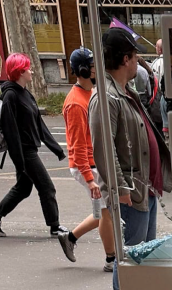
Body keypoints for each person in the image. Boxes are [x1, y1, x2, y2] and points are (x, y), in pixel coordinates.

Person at [90, 28, 172, 290]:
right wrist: (120, 188)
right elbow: (104, 149)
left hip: (144, 188)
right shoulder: (106, 97)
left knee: (144, 251)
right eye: (136, 55)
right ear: (126, 59)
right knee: (131, 253)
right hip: (131, 191)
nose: (140, 60)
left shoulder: (125, 91)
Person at [0, 53, 67, 237]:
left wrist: (56, 148)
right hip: (25, 151)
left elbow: (39, 123)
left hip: (29, 148)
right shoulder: (11, 96)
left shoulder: (25, 93)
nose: (32, 70)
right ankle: (55, 226)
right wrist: (19, 161)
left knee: (23, 188)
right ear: (19, 72)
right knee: (47, 187)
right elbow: (11, 130)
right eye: (28, 68)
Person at [56, 48, 116, 272]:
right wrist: (90, 180)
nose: (96, 69)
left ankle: (70, 237)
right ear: (82, 70)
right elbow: (78, 145)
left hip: (94, 163)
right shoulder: (75, 103)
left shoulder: (91, 93)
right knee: (107, 212)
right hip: (87, 166)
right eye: (92, 66)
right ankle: (112, 260)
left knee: (103, 211)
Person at [150, 39, 168, 137]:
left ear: (159, 49)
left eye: (156, 47)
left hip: (160, 97)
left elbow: (160, 83)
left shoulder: (158, 63)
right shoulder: (168, 61)